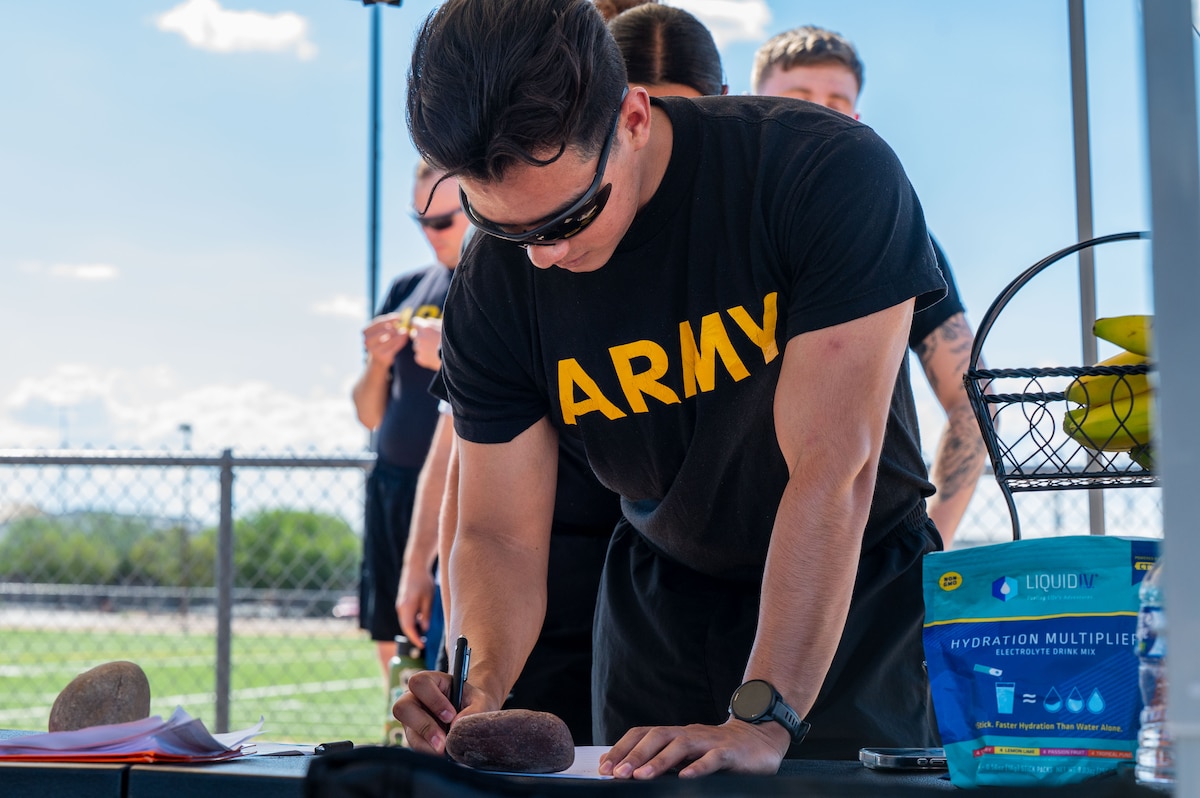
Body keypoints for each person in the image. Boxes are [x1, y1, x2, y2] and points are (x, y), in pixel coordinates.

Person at [396, 0, 945, 777]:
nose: (544, 260)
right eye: (509, 231)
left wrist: (764, 714)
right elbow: (499, 533)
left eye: (568, 218)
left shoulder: (821, 174)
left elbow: (833, 470)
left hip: (852, 585)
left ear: (632, 116)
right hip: (663, 588)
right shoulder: (495, 280)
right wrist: (476, 687)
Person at [751, 25, 987, 547]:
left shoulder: (891, 232)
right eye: (798, 98)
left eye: (838, 102)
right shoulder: (707, 233)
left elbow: (973, 400)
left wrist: (937, 542)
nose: (819, 114)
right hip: (707, 567)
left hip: (872, 557)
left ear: (855, 119)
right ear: (749, 104)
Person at [351, 158, 468, 681]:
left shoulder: (486, 283)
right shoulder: (406, 288)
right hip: (394, 486)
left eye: (443, 220)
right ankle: (399, 741)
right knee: (390, 640)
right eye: (420, 221)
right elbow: (368, 412)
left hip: (455, 489)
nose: (431, 234)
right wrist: (377, 362)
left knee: (442, 645)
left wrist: (449, 352)